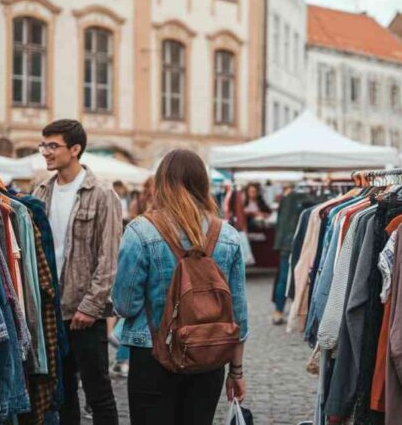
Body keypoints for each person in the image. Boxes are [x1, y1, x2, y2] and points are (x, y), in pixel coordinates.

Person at [112, 149, 248, 425]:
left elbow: (126, 305)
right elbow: (238, 316)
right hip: (208, 354)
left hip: (153, 353)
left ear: (161, 183)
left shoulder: (140, 231)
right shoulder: (228, 235)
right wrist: (236, 372)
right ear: (203, 184)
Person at [33, 119, 121, 425]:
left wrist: (91, 307)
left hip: (86, 314)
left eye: (52, 145)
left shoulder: (102, 194)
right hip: (51, 312)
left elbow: (109, 259)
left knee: (99, 395)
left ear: (75, 149)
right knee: (62, 394)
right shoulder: (41, 192)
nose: (45, 152)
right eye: (43, 145)